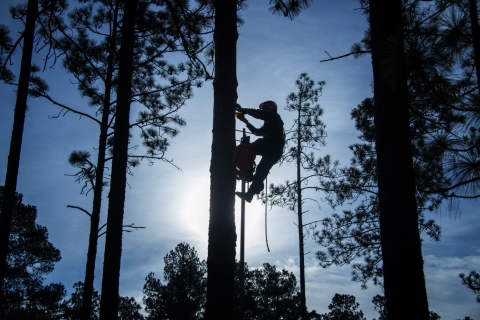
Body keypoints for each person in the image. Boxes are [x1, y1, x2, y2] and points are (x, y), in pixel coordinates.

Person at [235, 100, 285, 203]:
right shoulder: (269, 123)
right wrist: (245, 121)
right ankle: (249, 193)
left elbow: (259, 114)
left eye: (264, 108)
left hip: (273, 146)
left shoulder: (274, 116)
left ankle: (248, 173)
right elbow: (257, 132)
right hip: (273, 148)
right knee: (261, 170)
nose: (263, 110)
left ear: (271, 107)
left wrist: (243, 110)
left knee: (250, 150)